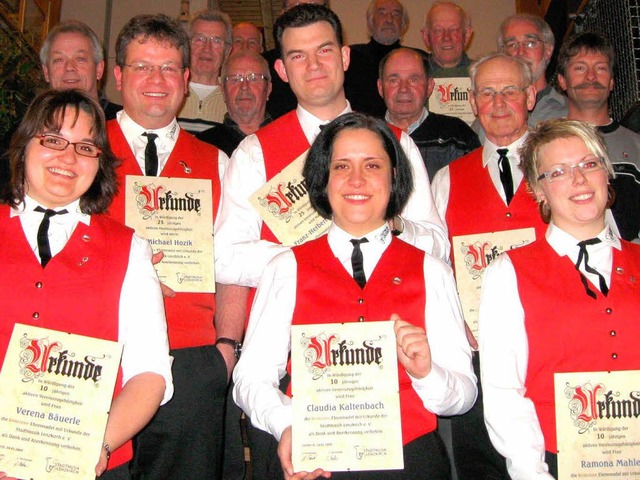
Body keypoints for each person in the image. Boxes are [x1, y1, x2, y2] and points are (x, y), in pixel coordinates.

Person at [216, 5, 448, 478]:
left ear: (344, 56)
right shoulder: (255, 151)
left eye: (324, 50)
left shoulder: (395, 142)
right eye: (298, 56)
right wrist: (309, 253)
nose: (314, 65)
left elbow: (438, 244)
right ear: (280, 70)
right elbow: (224, 257)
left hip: (395, 360)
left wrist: (382, 228)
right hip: (291, 370)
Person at [234, 112, 477, 480]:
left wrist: (428, 373)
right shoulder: (285, 268)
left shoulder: (432, 270)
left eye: (373, 165)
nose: (357, 180)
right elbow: (250, 378)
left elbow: (464, 395)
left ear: (395, 176)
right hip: (317, 463)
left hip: (412, 464)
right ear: (323, 178)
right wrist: (286, 423)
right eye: (342, 166)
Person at [0, 89, 172, 479]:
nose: (68, 157)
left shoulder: (131, 248)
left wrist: (98, 443)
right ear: (24, 145)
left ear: (100, 163)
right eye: (53, 140)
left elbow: (150, 373)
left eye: (86, 147)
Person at [479, 118, 640, 478]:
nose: (579, 179)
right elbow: (504, 392)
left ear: (606, 174)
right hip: (555, 465)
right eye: (559, 172)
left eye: (589, 164)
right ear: (538, 190)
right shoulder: (508, 272)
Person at [107, 14, 230, 479]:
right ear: (118, 77)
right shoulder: (81, 150)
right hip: (98, 352)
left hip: (192, 355)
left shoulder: (217, 163)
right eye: (142, 67)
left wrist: (225, 349)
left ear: (185, 79)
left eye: (168, 68)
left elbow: (234, 263)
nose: (156, 80)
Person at [431, 52, 548, 480]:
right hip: (477, 356)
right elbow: (436, 267)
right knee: (481, 467)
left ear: (531, 96)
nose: (498, 103)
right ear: (473, 101)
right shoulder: (446, 180)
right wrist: (453, 321)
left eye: (509, 90)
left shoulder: (562, 168)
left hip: (548, 353)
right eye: (487, 92)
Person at [557, 32, 640, 241]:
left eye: (600, 68)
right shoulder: (546, 146)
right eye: (580, 68)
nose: (591, 77)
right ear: (562, 81)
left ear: (612, 82)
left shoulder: (636, 146)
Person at [378, 47, 479, 180]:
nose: (403, 88)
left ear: (430, 87)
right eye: (394, 80)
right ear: (380, 88)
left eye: (413, 79)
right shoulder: (366, 136)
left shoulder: (458, 136)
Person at [473, 14, 568, 142]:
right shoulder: (486, 118)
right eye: (512, 44)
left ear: (548, 50)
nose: (520, 52)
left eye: (530, 43)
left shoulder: (568, 113)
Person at [197, 49, 273, 157]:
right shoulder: (203, 146)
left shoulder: (289, 141)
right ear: (223, 90)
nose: (244, 87)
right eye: (235, 79)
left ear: (268, 89)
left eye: (254, 78)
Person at [41, 20, 122, 120]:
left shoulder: (124, 127)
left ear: (99, 69)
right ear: (46, 72)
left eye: (80, 59)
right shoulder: (30, 129)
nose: (69, 67)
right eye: (59, 60)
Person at [263, 0, 329, 120]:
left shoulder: (360, 68)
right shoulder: (263, 67)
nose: (314, 65)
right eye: (297, 6)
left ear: (344, 57)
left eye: (313, 5)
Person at [344, 0, 409, 118]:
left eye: (396, 14)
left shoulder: (416, 59)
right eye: (382, 13)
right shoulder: (349, 58)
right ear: (370, 22)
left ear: (403, 24)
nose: (389, 20)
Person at [177, 10, 232, 133]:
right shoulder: (170, 89)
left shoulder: (233, 97)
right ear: (187, 45)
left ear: (227, 51)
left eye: (216, 41)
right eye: (200, 39)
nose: (207, 49)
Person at [421, 1, 473, 78]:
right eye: (438, 30)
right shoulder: (415, 76)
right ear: (426, 37)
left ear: (467, 35)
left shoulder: (482, 74)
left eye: (454, 29)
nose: (446, 37)